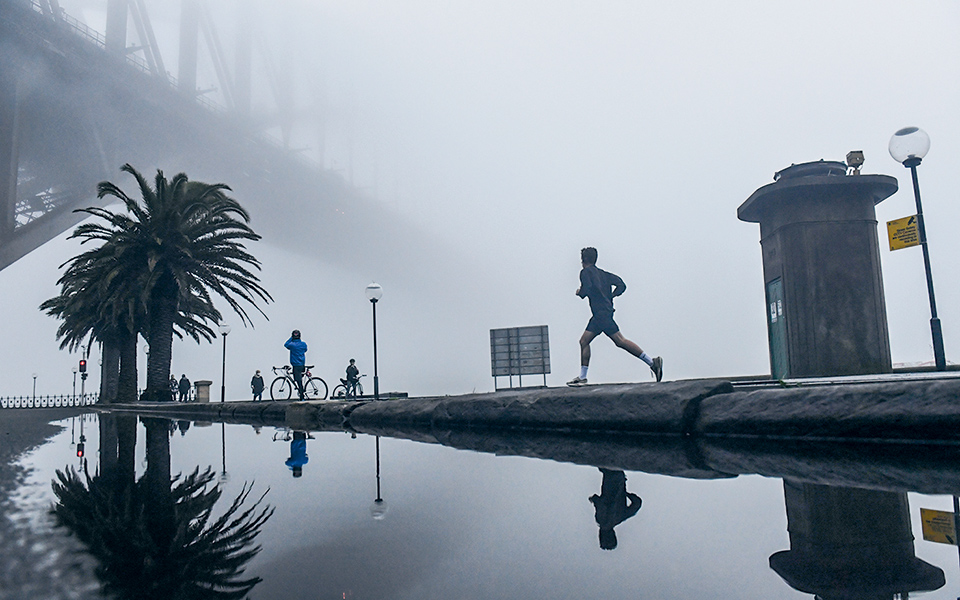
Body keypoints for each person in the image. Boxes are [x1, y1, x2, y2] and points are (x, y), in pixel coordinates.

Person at [568, 247, 662, 386]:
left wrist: (579, 292)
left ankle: (652, 362)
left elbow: (586, 288)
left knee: (620, 340)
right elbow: (621, 285)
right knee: (584, 341)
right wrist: (611, 295)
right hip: (602, 313)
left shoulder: (585, 272)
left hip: (601, 315)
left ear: (584, 259)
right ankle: (582, 377)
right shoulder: (604, 274)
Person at [589, 468, 642, 550]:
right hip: (610, 477)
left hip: (619, 477)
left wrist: (625, 493)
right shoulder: (602, 521)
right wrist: (594, 499)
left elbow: (637, 504)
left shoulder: (620, 518)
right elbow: (601, 505)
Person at [284, 330, 308, 400]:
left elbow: (285, 344)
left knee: (298, 380)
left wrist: (291, 338)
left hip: (296, 365)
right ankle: (302, 391)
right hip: (302, 364)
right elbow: (305, 350)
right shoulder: (303, 344)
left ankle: (302, 396)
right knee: (299, 379)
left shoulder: (292, 345)